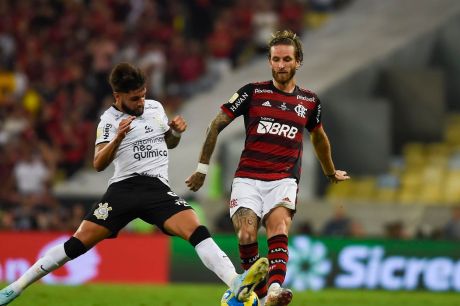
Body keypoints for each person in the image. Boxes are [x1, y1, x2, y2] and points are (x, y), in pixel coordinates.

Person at [0, 63, 268, 305]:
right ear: (118, 97)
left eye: (143, 94)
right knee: (76, 245)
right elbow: (98, 164)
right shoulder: (108, 121)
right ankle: (15, 288)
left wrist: (174, 131)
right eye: (134, 98)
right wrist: (118, 138)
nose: (141, 101)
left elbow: (169, 143)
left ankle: (236, 283)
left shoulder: (155, 108)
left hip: (156, 189)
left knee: (196, 229)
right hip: (123, 190)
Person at [186, 30, 350, 306]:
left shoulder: (309, 102)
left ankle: (274, 290)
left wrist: (330, 170)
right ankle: (262, 299)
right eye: (276, 59)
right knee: (246, 233)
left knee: (278, 228)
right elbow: (216, 124)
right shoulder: (252, 92)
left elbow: (319, 138)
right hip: (248, 178)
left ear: (298, 62)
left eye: (287, 59)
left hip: (283, 179)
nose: (281, 65)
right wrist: (202, 168)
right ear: (269, 61)